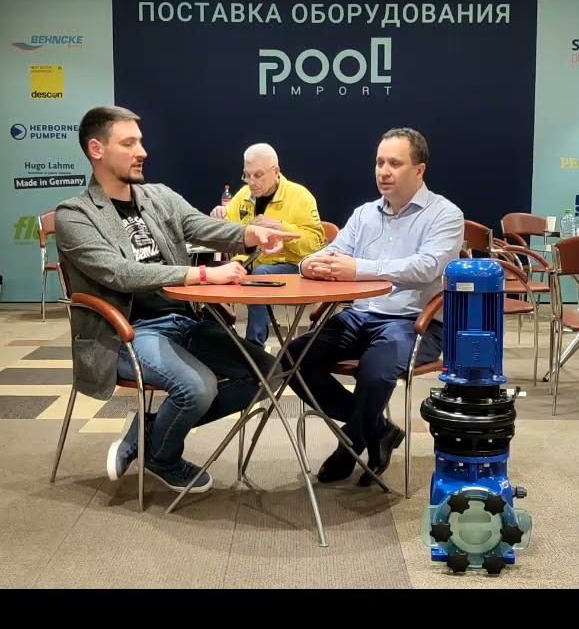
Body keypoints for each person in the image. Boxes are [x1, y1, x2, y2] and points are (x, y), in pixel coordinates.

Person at [56, 105, 298, 494]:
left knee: (272, 372)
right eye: (129, 143)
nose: (142, 151)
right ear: (96, 149)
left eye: (140, 142)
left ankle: (149, 432)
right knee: (197, 388)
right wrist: (201, 274)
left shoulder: (159, 197)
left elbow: (202, 226)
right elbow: (120, 273)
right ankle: (164, 456)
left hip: (184, 322)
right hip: (127, 333)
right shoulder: (75, 215)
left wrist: (251, 235)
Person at [283, 128, 464, 487]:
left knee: (375, 372)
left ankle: (351, 441)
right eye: (380, 162)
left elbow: (427, 267)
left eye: (395, 163)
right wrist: (307, 265)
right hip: (360, 316)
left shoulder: (445, 214)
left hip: (415, 321)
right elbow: (331, 253)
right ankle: (377, 429)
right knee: (291, 359)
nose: (384, 171)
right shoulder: (365, 214)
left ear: (419, 170)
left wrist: (358, 269)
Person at [210, 143, 326, 347]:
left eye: (258, 175)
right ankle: (218, 343)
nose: (251, 182)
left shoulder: (300, 196)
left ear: (276, 171)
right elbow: (230, 234)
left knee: (260, 274)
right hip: (250, 264)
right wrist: (217, 218)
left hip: (292, 268)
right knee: (214, 275)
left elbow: (316, 243)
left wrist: (280, 228)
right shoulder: (243, 195)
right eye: (247, 175)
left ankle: (254, 347)